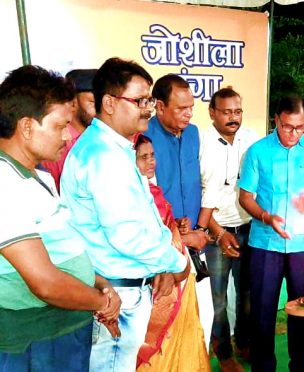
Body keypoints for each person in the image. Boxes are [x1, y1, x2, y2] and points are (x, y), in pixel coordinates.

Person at [61, 57, 190, 372]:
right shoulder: (104, 156)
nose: (147, 108)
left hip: (124, 287)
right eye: (139, 100)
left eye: (149, 100)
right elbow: (127, 235)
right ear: (108, 103)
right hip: (114, 296)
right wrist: (177, 263)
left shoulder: (116, 149)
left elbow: (146, 216)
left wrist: (161, 263)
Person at [0, 65, 120, 371]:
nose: (67, 136)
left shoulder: (37, 176)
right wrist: (101, 301)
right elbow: (45, 283)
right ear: (27, 126)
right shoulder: (4, 181)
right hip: (33, 338)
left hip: (61, 328)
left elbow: (60, 250)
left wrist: (98, 282)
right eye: (59, 126)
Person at [238, 95, 304, 371]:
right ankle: (263, 366)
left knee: (302, 310)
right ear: (276, 120)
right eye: (288, 127)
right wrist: (267, 217)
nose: (294, 134)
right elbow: (246, 197)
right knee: (263, 312)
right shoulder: (258, 152)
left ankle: (300, 365)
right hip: (266, 243)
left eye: (300, 128)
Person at [133, 134, 210, 371]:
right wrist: (188, 237)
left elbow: (163, 229)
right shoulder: (132, 195)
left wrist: (177, 225)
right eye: (143, 157)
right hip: (157, 281)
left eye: (152, 155)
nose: (151, 162)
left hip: (177, 277)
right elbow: (141, 239)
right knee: (159, 351)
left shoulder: (152, 190)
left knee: (183, 343)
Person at [196, 87, 259, 371]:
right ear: (212, 113)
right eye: (226, 112)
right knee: (217, 298)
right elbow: (199, 194)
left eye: (238, 111)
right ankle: (223, 353)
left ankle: (244, 343)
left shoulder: (251, 139)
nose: (233, 118)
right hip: (214, 232)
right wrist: (219, 233)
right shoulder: (201, 143)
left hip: (248, 227)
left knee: (246, 292)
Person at [144, 74, 209, 252]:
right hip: (160, 241)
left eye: (190, 107)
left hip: (196, 238)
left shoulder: (194, 133)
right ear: (160, 107)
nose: (189, 114)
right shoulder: (143, 138)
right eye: (181, 108)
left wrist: (200, 229)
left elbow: (206, 182)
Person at [40, 68, 97, 192]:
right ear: (73, 103)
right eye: (93, 102)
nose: (100, 110)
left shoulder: (101, 137)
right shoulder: (56, 142)